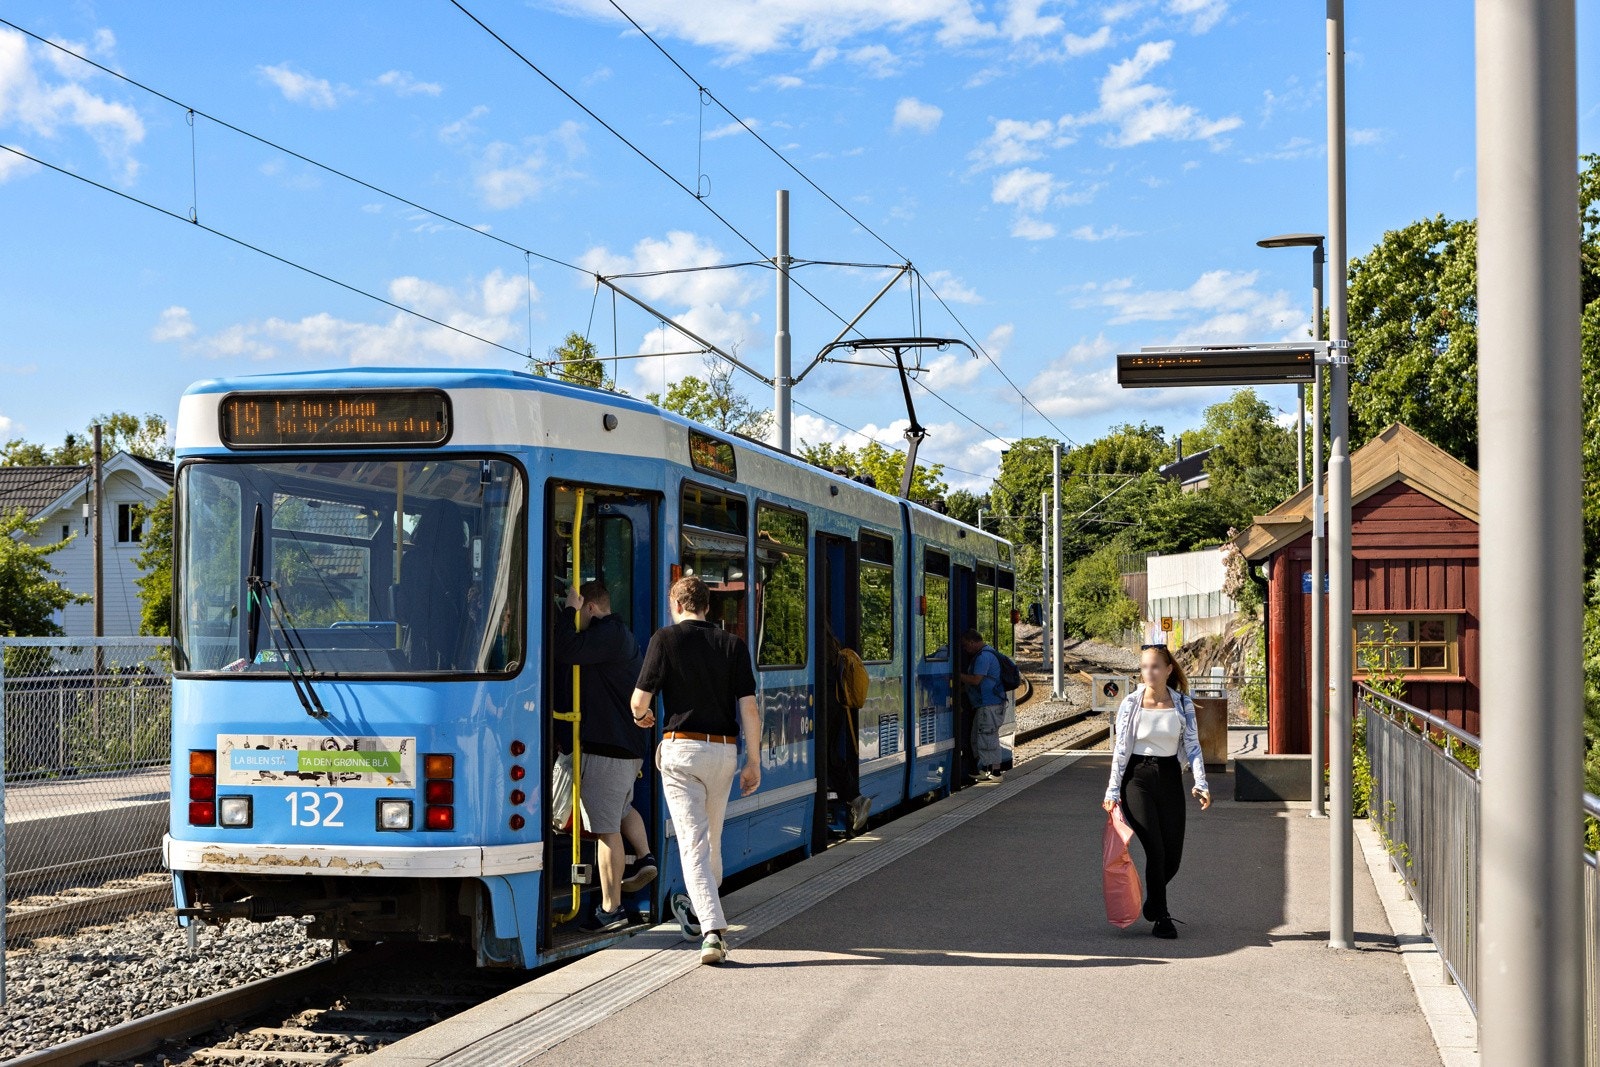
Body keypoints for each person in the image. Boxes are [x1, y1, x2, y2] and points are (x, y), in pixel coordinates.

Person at [631, 575, 761, 966]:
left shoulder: (665, 639)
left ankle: (711, 932)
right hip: (723, 753)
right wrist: (753, 760)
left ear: (676, 604)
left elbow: (639, 701)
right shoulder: (733, 645)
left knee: (693, 844)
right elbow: (750, 710)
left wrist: (644, 716)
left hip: (683, 750)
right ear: (707, 606)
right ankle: (707, 905)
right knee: (710, 840)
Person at [553, 580, 656, 934]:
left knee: (603, 829)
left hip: (608, 748)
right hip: (626, 747)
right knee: (622, 809)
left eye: (582, 611)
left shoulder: (607, 634)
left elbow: (565, 648)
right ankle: (645, 857)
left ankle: (611, 910)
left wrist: (568, 608)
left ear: (591, 608)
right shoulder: (619, 636)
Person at [1101, 643, 1212, 939]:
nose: (1147, 672)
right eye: (1144, 667)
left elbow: (1192, 746)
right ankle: (1162, 917)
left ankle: (1152, 899)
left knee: (1172, 856)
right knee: (1156, 849)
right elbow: (1121, 749)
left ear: (1168, 670)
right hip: (1137, 779)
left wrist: (1200, 783)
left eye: (1154, 666)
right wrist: (1112, 791)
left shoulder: (1182, 703)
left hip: (1169, 777)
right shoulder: (1131, 703)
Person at [824, 628, 872, 832]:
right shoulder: (832, 644)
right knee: (830, 754)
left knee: (826, 756)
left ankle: (854, 798)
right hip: (836, 708)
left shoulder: (815, 641)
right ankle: (855, 798)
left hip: (826, 707)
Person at [957, 628, 1006, 782]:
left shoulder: (983, 657)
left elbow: (976, 680)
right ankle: (984, 769)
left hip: (989, 704)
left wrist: (955, 675)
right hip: (986, 704)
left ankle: (995, 773)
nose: (965, 649)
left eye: (966, 645)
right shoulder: (986, 653)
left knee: (987, 737)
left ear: (972, 642)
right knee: (979, 737)